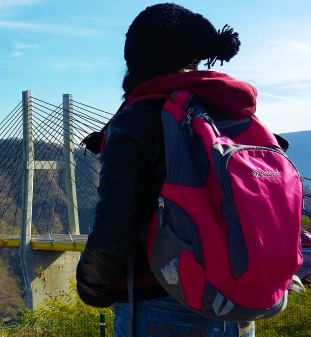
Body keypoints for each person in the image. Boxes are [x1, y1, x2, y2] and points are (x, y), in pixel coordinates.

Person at [76, 3, 257, 337]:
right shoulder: (235, 118)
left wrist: (92, 287)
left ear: (139, 57)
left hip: (160, 302)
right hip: (236, 305)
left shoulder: (135, 120)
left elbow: (115, 226)